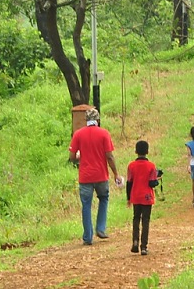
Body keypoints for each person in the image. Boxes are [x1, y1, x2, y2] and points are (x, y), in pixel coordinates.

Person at [68, 108, 121, 245]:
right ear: (97, 120)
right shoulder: (104, 134)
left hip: (85, 176)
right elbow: (109, 156)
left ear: (86, 120)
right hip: (101, 175)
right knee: (104, 198)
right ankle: (101, 229)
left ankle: (88, 237)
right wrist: (115, 173)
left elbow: (72, 157)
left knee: (86, 205)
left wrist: (79, 157)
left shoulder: (78, 134)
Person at [126, 140, 161, 256]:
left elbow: (129, 183)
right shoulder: (151, 166)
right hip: (147, 197)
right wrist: (157, 180)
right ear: (147, 151)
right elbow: (152, 183)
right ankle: (144, 247)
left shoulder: (131, 166)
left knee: (136, 218)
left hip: (135, 196)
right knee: (145, 220)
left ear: (136, 151)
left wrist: (128, 198)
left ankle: (135, 242)